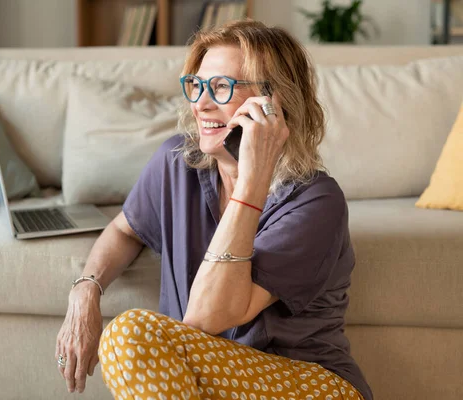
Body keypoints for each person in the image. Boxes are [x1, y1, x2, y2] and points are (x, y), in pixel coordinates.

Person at [55, 19, 373, 400]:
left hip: (309, 385)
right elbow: (125, 229)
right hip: (200, 385)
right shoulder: (177, 163)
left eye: (221, 87)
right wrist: (86, 293)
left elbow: (207, 318)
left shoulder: (316, 201)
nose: (201, 103)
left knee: (129, 335)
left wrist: (252, 181)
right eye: (197, 85)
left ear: (275, 101)